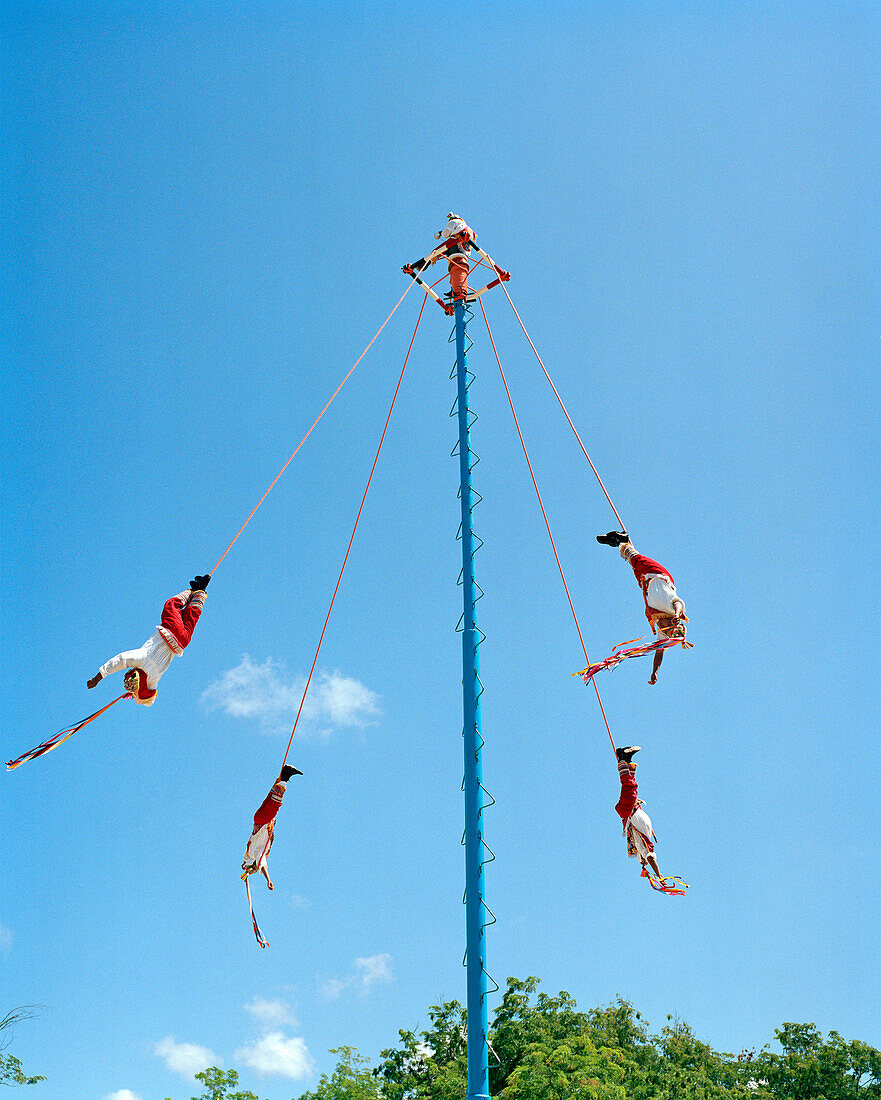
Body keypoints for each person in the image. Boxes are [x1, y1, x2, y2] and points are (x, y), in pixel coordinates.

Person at [86, 575, 211, 704]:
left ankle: (201, 591)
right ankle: (191, 591)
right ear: (135, 675)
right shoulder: (141, 658)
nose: (129, 669)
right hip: (171, 631)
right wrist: (97, 678)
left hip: (183, 642)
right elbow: (119, 660)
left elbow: (148, 701)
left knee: (191, 616)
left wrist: (136, 693)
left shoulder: (153, 680)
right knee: (171, 605)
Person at [596, 531, 687, 684]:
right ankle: (622, 539)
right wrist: (677, 614)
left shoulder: (664, 632)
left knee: (632, 561)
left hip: (644, 582)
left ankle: (620, 542)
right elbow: (678, 603)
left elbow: (659, 652)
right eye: (666, 627)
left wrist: (654, 672)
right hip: (657, 573)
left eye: (665, 631)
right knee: (635, 559)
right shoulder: (672, 609)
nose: (662, 628)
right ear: (673, 622)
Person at [242, 765, 303, 889]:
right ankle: (281, 779)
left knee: (275, 803)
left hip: (264, 820)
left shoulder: (257, 854)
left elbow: (262, 866)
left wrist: (268, 880)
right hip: (258, 819)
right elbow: (245, 861)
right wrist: (246, 870)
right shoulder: (250, 853)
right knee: (270, 798)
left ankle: (285, 775)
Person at [614, 745, 663, 880]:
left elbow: (650, 858)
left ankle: (623, 759)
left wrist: (658, 875)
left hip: (628, 810)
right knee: (632, 786)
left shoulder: (644, 848)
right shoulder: (644, 845)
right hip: (631, 809)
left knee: (630, 787)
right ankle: (626, 760)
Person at [403, 213, 476, 300]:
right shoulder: (470, 230)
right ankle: (454, 288)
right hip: (464, 251)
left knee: (436, 252)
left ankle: (425, 263)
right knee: (451, 262)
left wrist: (440, 233)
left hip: (455, 244)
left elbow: (445, 234)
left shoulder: (454, 222)